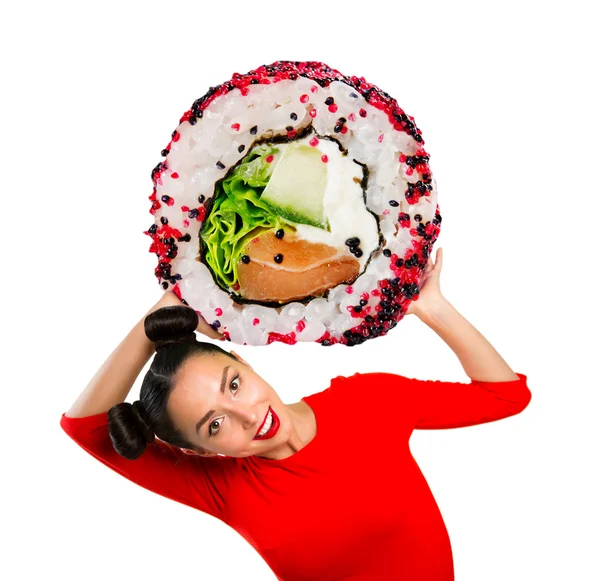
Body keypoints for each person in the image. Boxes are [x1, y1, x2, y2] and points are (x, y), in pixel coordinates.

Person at [60, 247, 531, 581]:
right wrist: (152, 323)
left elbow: (505, 397)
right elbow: (84, 429)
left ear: (244, 361)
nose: (246, 415)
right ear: (197, 450)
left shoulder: (367, 401)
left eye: (234, 385)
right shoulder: (224, 487)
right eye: (215, 424)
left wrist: (435, 309)